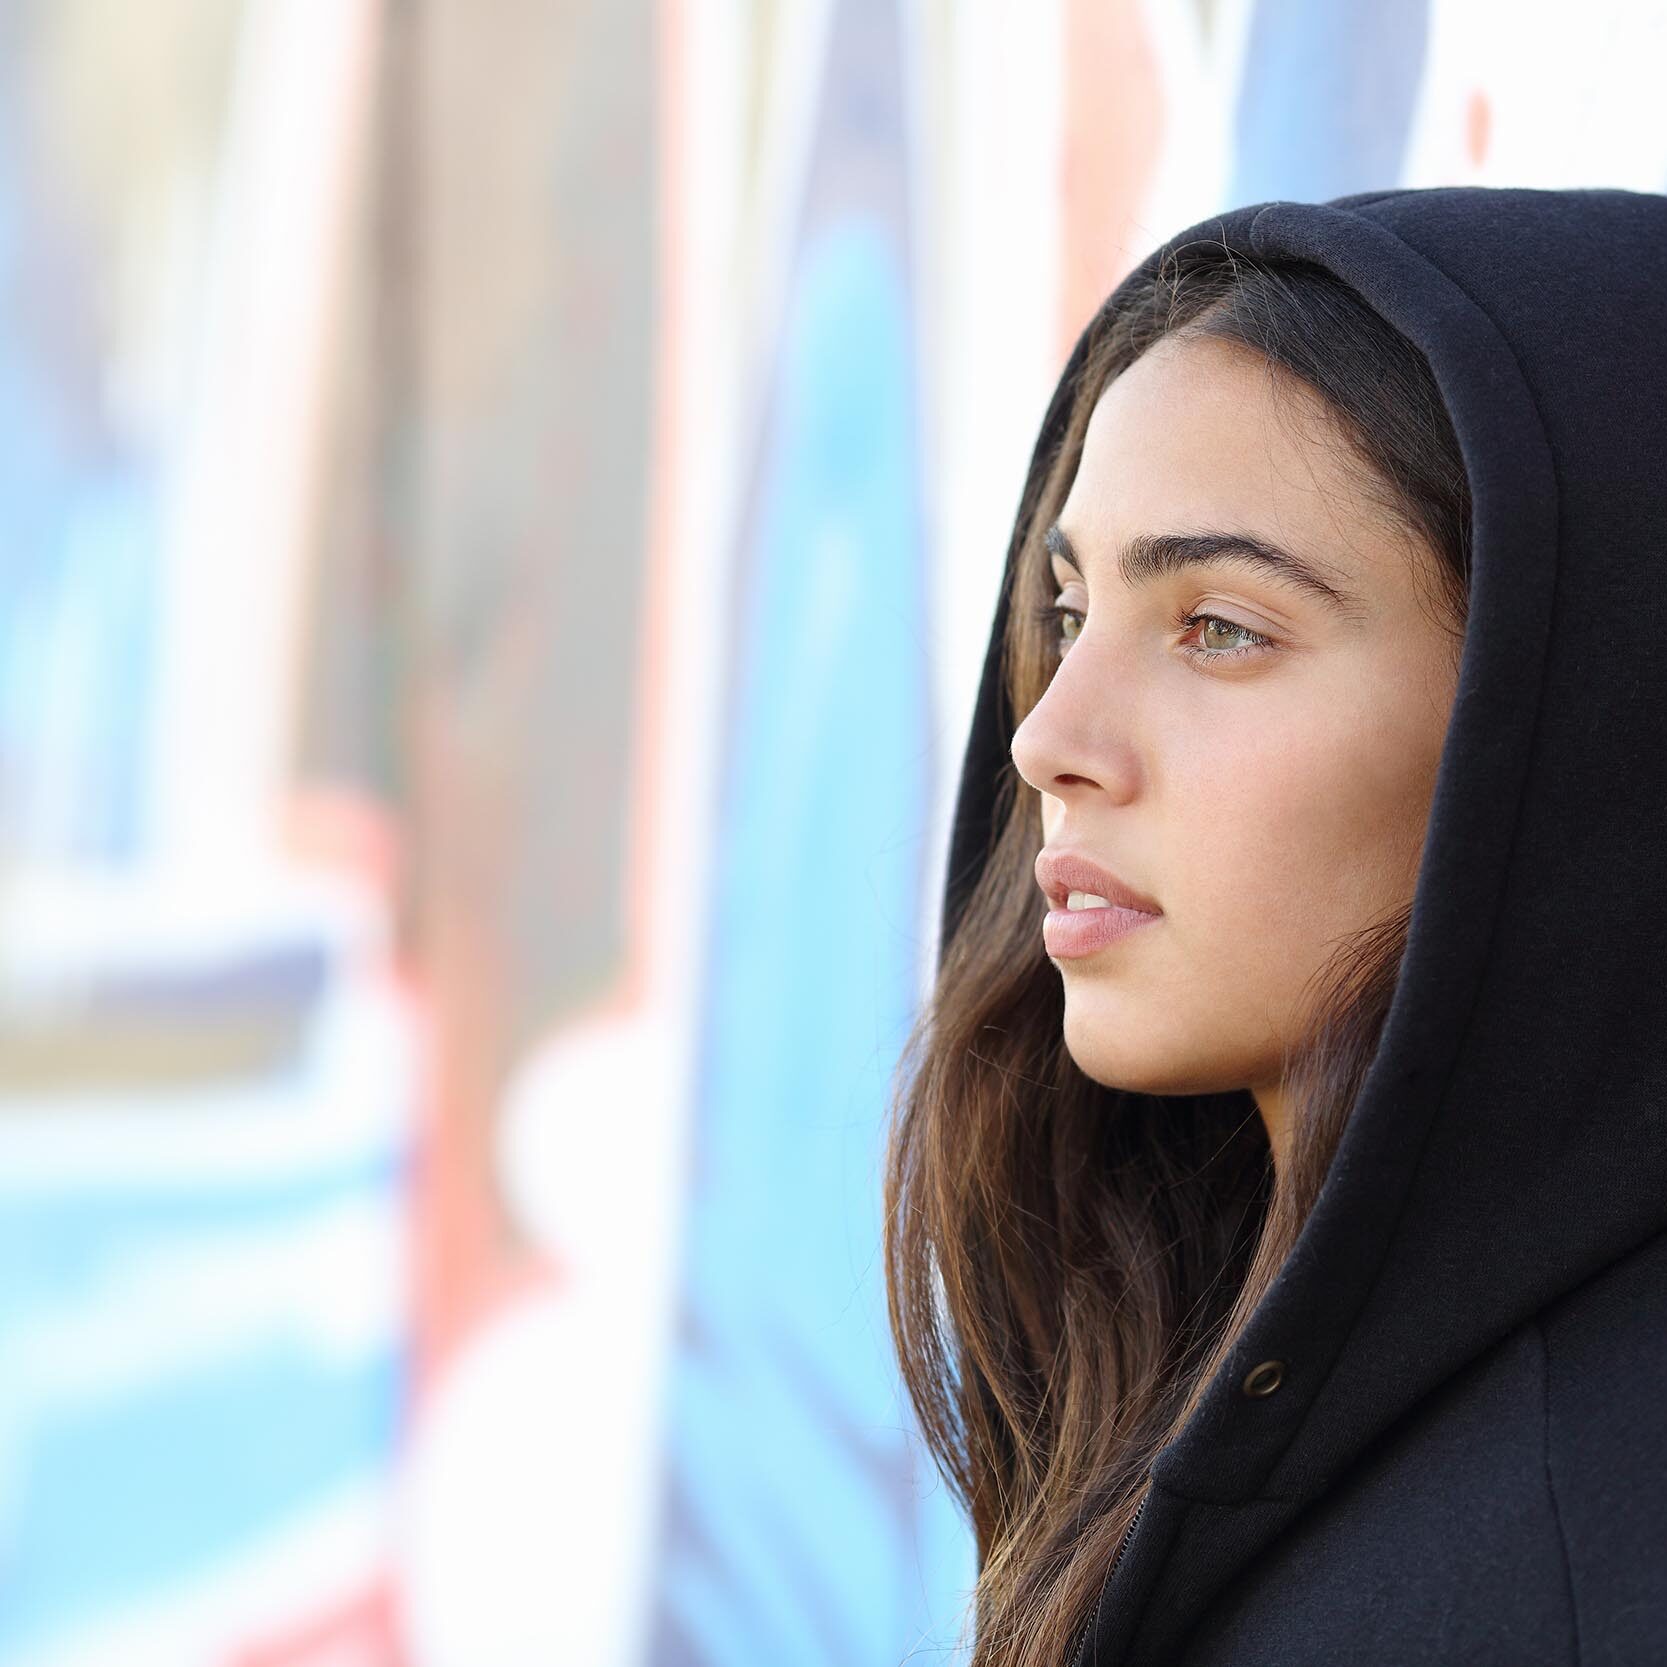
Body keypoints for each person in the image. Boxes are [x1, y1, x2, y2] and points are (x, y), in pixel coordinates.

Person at [883, 186, 1667, 1666]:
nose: (1053, 736)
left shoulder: (1570, 1564)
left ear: (1565, 713)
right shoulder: (1256, 1419)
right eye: (1067, 612)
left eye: (1219, 628)